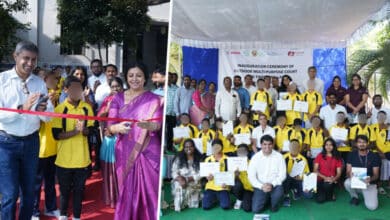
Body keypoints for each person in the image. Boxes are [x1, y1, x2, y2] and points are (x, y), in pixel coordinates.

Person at [0, 41, 54, 220]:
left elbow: (48, 117)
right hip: (6, 143)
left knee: (29, 192)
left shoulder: (39, 83)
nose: (30, 63)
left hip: (32, 142)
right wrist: (22, 108)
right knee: (10, 194)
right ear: (15, 57)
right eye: (26, 58)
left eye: (34, 59)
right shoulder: (2, 80)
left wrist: (43, 110)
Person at [107, 63, 163, 220]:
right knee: (127, 189)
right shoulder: (117, 98)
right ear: (126, 78)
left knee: (150, 188)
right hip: (125, 149)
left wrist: (148, 125)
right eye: (131, 75)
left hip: (148, 149)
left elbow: (157, 125)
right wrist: (117, 127)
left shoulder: (153, 99)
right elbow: (109, 126)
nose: (135, 79)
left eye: (139, 75)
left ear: (145, 78)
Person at [52, 76, 95, 220]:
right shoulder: (59, 109)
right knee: (64, 192)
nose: (77, 91)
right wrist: (76, 132)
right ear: (65, 89)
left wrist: (83, 131)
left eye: (79, 88)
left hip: (82, 160)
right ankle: (63, 215)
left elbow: (91, 131)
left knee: (79, 191)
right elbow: (57, 135)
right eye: (73, 88)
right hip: (63, 160)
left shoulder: (87, 108)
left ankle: (77, 217)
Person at [32, 70, 60, 219]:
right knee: (36, 182)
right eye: (50, 79)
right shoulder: (39, 97)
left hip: (53, 146)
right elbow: (40, 119)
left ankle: (50, 207)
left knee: (50, 181)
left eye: (55, 79)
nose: (53, 82)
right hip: (39, 147)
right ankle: (34, 211)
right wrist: (45, 103)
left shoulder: (58, 97)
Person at [97, 77, 124, 208]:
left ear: (122, 86)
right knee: (110, 169)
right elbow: (99, 118)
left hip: (124, 138)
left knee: (122, 169)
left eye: (117, 86)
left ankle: (123, 197)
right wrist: (107, 108)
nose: (115, 89)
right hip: (109, 138)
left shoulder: (128, 100)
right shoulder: (107, 100)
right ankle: (111, 197)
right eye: (113, 87)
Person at [248, 135, 286, 213]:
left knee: (277, 198)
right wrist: (261, 186)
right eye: (265, 144)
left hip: (275, 185)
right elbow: (251, 176)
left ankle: (273, 203)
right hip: (261, 185)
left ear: (273, 145)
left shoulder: (279, 157)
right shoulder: (255, 157)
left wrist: (272, 184)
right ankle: (267, 198)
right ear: (261, 145)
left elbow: (283, 175)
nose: (267, 147)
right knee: (256, 210)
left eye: (269, 144)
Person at [344, 135, 380, 210]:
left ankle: (368, 193)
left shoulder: (374, 156)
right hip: (356, 182)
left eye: (364, 142)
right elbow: (347, 171)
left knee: (372, 207)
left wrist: (369, 179)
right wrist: (349, 174)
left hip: (369, 183)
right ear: (356, 144)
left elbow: (376, 175)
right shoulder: (351, 154)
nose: (362, 144)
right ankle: (355, 197)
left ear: (368, 144)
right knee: (347, 182)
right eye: (359, 142)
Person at [171, 139, 203, 211]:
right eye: (186, 147)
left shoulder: (199, 158)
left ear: (194, 147)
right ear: (183, 148)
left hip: (194, 182)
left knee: (193, 206)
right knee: (178, 186)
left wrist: (189, 179)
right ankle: (178, 203)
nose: (188, 149)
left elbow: (201, 173)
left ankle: (194, 198)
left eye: (191, 146)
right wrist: (180, 179)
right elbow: (174, 171)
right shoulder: (179, 158)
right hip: (181, 181)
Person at [202, 139, 230, 210]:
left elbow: (230, 175)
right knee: (205, 206)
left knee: (225, 206)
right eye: (214, 146)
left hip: (223, 187)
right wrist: (207, 177)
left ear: (222, 147)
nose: (216, 148)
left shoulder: (227, 159)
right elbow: (205, 175)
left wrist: (227, 183)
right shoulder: (208, 159)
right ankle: (214, 198)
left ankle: (218, 197)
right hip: (211, 186)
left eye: (218, 146)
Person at [282, 139, 311, 206]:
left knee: (309, 195)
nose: (294, 148)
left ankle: (295, 189)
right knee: (286, 177)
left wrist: (301, 178)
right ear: (289, 147)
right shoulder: (283, 157)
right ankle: (286, 196)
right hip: (286, 180)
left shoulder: (303, 159)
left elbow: (307, 174)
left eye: (296, 146)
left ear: (299, 148)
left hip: (298, 180)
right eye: (292, 146)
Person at [313, 138, 342, 203]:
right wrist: (325, 177)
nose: (328, 147)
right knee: (320, 200)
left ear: (334, 146)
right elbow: (315, 170)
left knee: (328, 186)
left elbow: (339, 173)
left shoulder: (337, 157)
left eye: (331, 145)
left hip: (331, 180)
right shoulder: (320, 155)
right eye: (327, 145)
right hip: (320, 180)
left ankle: (330, 193)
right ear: (324, 146)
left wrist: (334, 179)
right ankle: (327, 193)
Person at [370, 111, 390, 194]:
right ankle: (379, 185)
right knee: (377, 165)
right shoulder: (373, 127)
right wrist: (381, 153)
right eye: (379, 116)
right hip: (376, 151)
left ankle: (389, 183)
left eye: (383, 116)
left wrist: (385, 153)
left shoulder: (389, 128)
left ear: (385, 118)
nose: (381, 118)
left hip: (388, 151)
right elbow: (373, 143)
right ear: (377, 118)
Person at [231, 144, 253, 212]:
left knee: (247, 208)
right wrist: (235, 176)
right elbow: (229, 179)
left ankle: (245, 198)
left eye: (243, 151)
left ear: (247, 152)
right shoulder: (233, 163)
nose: (241, 153)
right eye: (239, 151)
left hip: (250, 188)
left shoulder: (252, 163)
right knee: (236, 185)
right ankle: (239, 198)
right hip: (240, 187)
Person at [166, 72, 179, 152]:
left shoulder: (176, 88)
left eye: (170, 77)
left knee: (171, 132)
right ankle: (162, 148)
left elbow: (177, 101)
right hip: (164, 114)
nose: (169, 79)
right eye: (167, 77)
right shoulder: (162, 88)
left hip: (173, 114)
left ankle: (169, 148)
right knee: (163, 131)